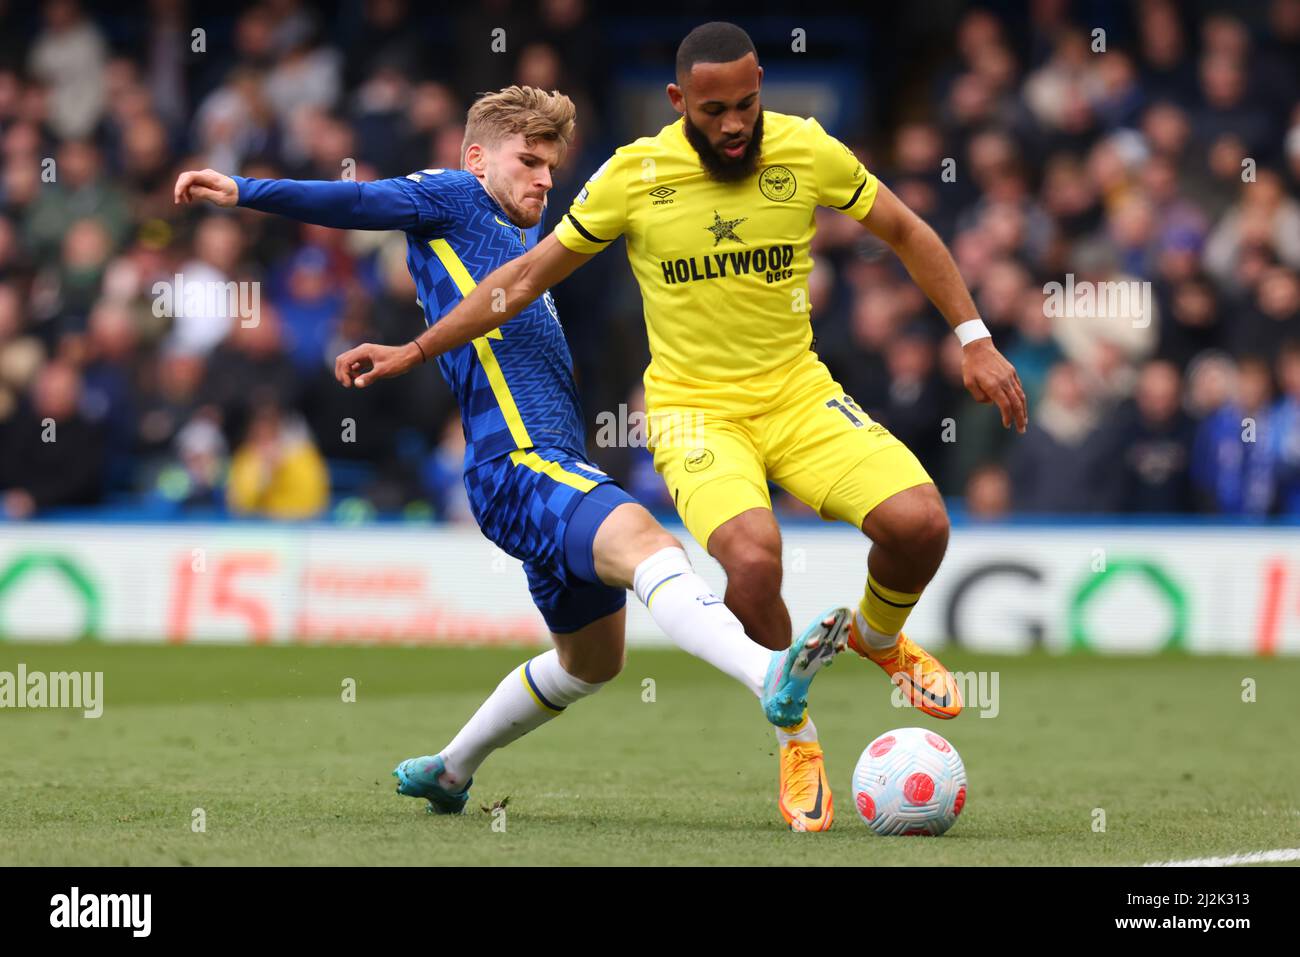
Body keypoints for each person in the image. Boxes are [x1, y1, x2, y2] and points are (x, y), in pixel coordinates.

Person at [335, 25, 1030, 830]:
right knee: (751, 557)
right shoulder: (635, 174)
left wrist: (974, 339)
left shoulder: (808, 151)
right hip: (695, 409)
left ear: (761, 85)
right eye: (713, 111)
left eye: (745, 104)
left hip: (800, 394)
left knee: (921, 523)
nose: (734, 125)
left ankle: (879, 636)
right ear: (678, 103)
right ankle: (796, 733)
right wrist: (417, 347)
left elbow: (908, 230)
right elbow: (522, 278)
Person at [174, 84, 845, 830]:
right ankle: (768, 675)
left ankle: (450, 767)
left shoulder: (528, 249)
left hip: (541, 466)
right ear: (475, 158)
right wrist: (244, 190)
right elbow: (359, 204)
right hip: (517, 461)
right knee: (651, 546)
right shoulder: (453, 197)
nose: (543, 179)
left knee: (592, 662)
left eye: (551, 167)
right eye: (527, 160)